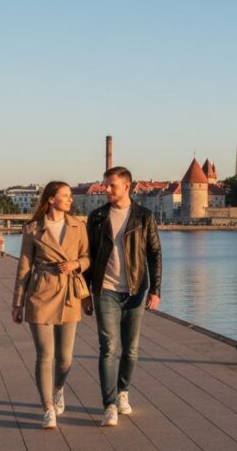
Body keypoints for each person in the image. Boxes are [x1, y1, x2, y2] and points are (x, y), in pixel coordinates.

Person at [85, 166, 162, 427]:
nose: (105, 189)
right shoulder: (96, 217)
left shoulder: (144, 216)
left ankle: (122, 392)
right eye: (105, 184)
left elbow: (154, 254)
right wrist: (85, 293)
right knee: (108, 347)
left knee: (131, 349)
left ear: (127, 187)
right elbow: (88, 256)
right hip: (105, 289)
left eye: (111, 185)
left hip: (135, 290)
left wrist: (156, 290)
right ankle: (109, 405)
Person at [12, 181, 92, 429]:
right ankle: (47, 408)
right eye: (65, 195)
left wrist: (75, 265)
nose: (70, 199)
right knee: (45, 355)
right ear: (51, 199)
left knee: (65, 358)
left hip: (69, 293)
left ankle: (58, 388)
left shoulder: (78, 226)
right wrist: (18, 302)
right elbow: (24, 266)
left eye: (70, 196)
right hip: (41, 292)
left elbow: (88, 257)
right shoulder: (33, 229)